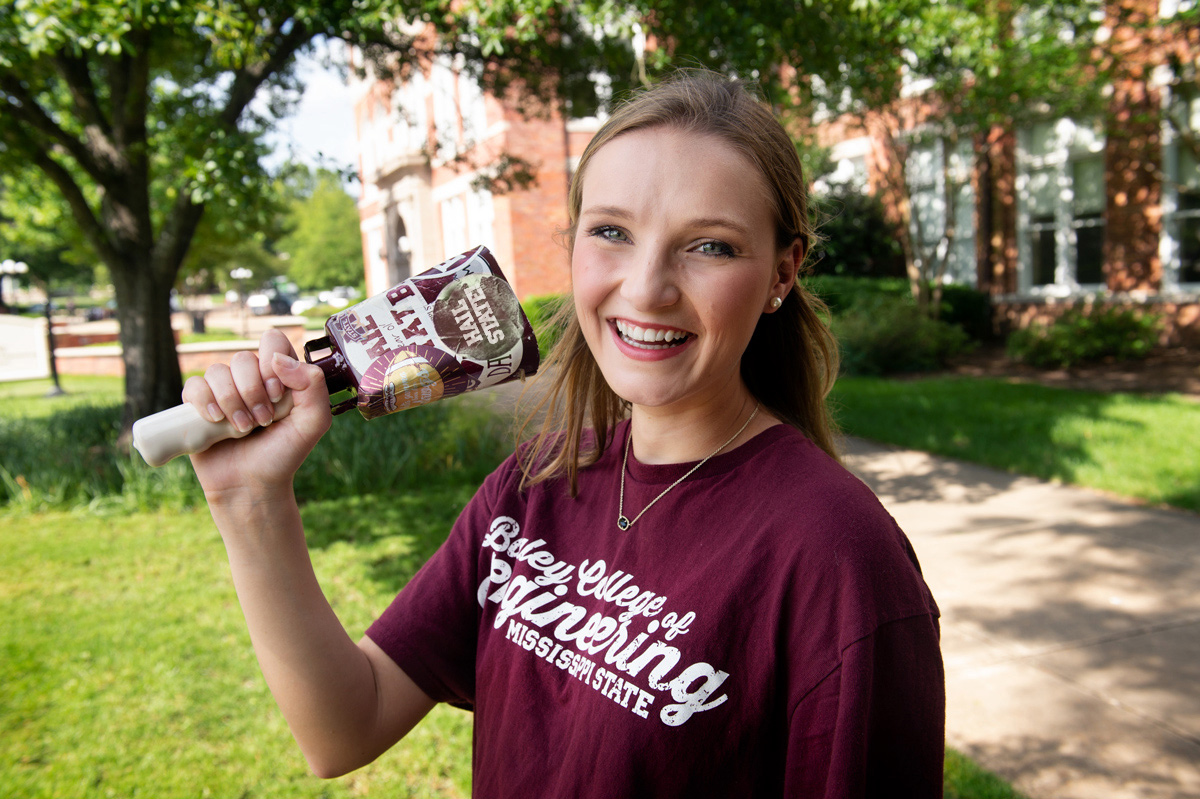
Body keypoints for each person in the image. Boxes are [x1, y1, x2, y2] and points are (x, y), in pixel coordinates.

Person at [183, 70, 945, 797]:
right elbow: (344, 726)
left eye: (710, 245)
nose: (646, 287)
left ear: (782, 273)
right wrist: (251, 501)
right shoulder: (534, 486)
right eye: (611, 230)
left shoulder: (840, 558)